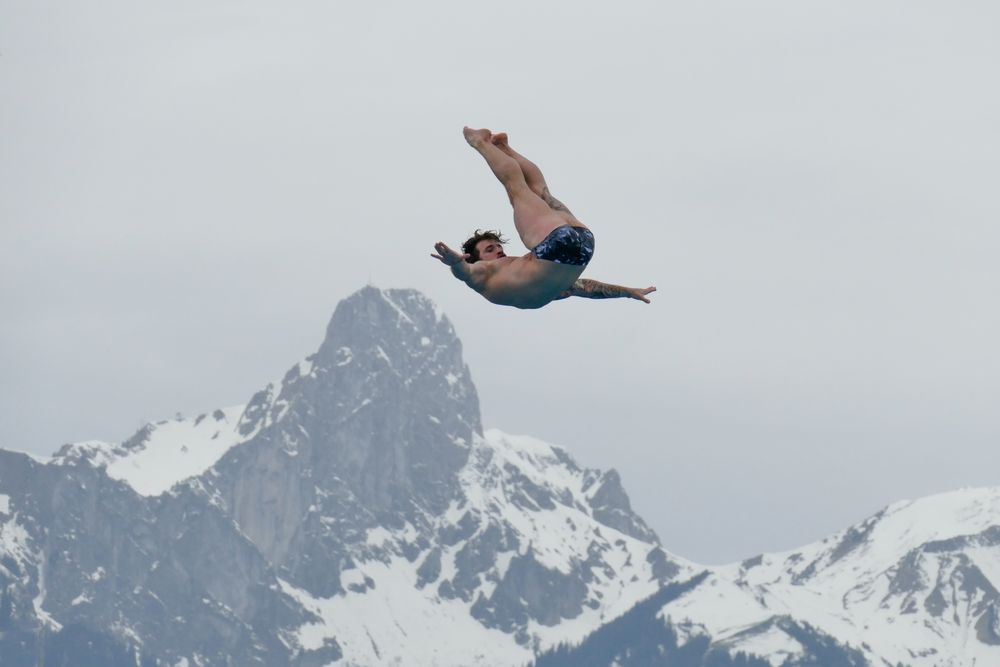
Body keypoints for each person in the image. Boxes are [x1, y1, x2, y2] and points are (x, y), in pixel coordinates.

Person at [431, 127, 656, 309]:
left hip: (579, 245)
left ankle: (503, 147)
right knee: (517, 190)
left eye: (497, 246)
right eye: (490, 249)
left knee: (540, 193)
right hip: (566, 245)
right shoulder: (483, 274)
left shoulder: (518, 271)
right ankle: (480, 141)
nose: (499, 250)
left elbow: (584, 288)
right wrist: (455, 263)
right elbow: (465, 273)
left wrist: (627, 292)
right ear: (475, 258)